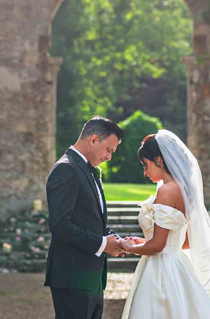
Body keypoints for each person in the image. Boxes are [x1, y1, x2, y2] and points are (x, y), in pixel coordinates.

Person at [119, 129, 210, 319]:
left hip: (161, 270)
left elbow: (158, 246)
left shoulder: (166, 191)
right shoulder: (184, 191)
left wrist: (131, 248)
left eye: (146, 165)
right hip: (178, 264)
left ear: (158, 160)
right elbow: (186, 241)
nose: (145, 172)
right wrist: (146, 240)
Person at [45, 116, 128, 319]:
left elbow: (91, 220)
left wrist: (115, 241)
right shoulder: (66, 169)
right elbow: (60, 225)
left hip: (92, 277)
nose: (109, 157)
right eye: (108, 150)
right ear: (93, 140)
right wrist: (102, 244)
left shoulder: (90, 171)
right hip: (72, 276)